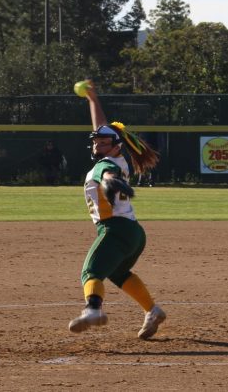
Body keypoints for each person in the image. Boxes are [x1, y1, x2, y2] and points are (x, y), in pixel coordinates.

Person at [68, 81, 166, 340]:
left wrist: (110, 182)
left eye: (103, 142)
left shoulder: (107, 165)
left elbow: (106, 174)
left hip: (115, 230)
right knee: (117, 272)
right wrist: (92, 99)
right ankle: (152, 310)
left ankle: (93, 310)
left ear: (116, 145)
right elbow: (103, 129)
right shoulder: (116, 155)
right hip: (133, 232)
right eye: (95, 141)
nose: (97, 144)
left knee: (90, 272)